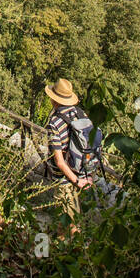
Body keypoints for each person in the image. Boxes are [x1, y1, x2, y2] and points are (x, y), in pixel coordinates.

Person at [45, 77, 93, 224]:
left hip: (65, 179)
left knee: (66, 226)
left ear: (54, 100)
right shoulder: (80, 114)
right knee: (76, 220)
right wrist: (85, 175)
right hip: (82, 172)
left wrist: (76, 181)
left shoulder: (54, 123)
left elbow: (59, 161)